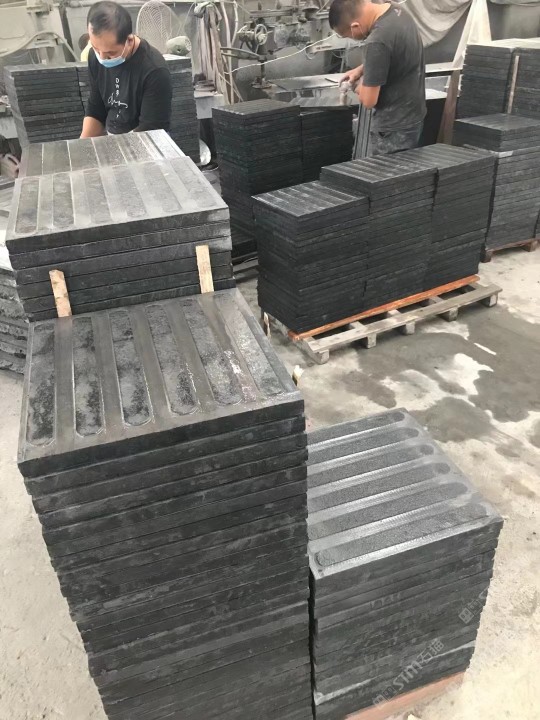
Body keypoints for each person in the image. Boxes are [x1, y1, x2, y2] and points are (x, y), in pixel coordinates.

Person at [329, 0, 426, 155]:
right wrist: (361, 70)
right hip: (413, 114)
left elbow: (369, 100)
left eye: (348, 36)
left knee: (389, 170)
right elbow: (393, 53)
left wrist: (356, 85)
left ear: (355, 26)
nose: (352, 39)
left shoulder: (376, 41)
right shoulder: (397, 11)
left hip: (393, 130)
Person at [81, 1, 172, 138]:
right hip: (113, 137)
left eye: (111, 53)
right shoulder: (95, 57)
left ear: (129, 40)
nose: (102, 58)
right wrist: (82, 145)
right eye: (96, 48)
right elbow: (96, 107)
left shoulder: (155, 71)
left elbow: (152, 129)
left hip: (146, 140)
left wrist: (116, 147)